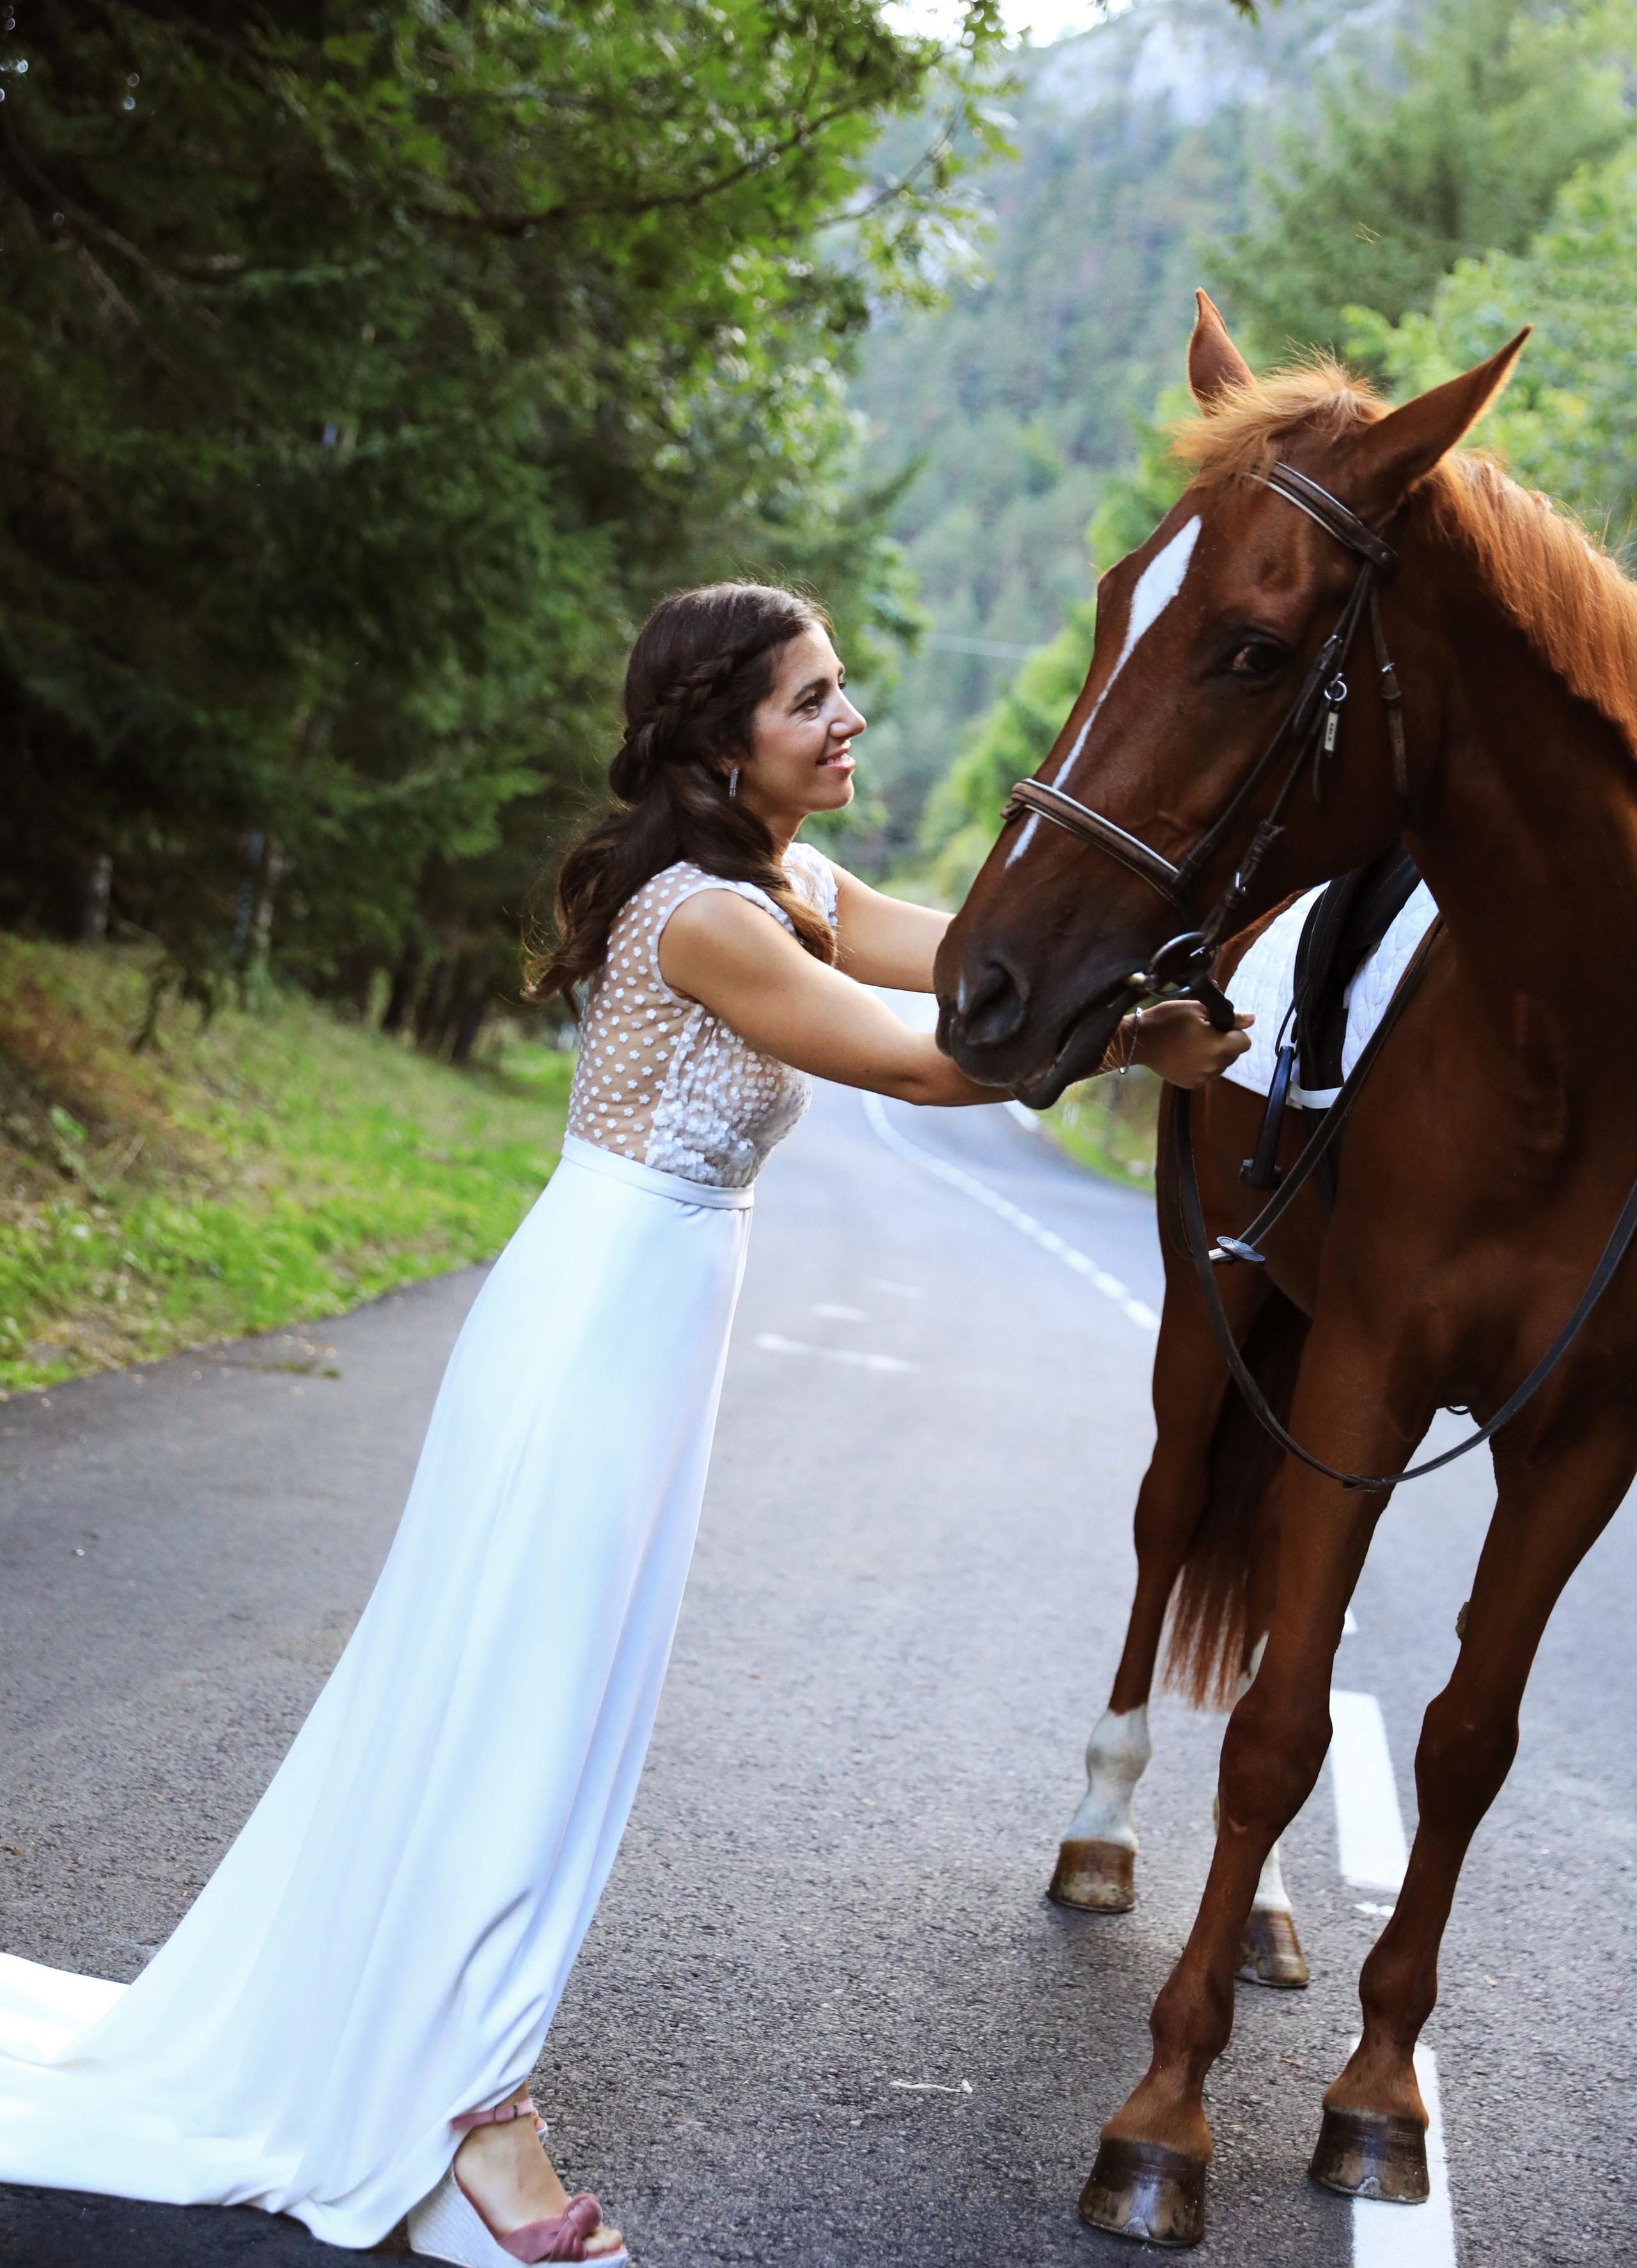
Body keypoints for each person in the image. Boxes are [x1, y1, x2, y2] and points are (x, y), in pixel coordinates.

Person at [0, 584, 1248, 2265]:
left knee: (563, 1707)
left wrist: (1140, 964)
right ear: (721, 741)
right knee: (528, 1707)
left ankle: (435, 2051)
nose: (849, 719)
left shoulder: (794, 882)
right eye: (810, 699)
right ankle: (475, 2117)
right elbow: (915, 1064)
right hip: (591, 1327)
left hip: (660, 1324)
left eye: (840, 689)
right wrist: (1122, 1050)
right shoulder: (702, 917)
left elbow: (955, 955)